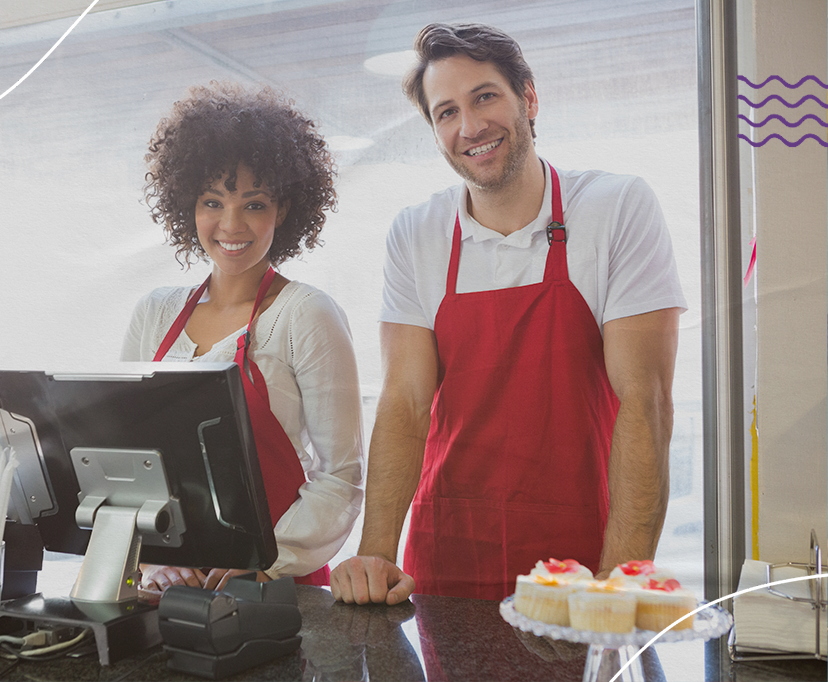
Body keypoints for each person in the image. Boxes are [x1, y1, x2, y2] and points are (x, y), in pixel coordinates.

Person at [330, 23, 686, 604]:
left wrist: (618, 580)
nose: (469, 127)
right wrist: (374, 555)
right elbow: (405, 403)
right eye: (446, 112)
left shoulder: (616, 207)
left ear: (529, 98)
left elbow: (644, 402)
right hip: (447, 558)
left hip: (583, 559)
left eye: (485, 97)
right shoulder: (416, 233)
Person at [121, 82, 364, 594]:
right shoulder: (154, 314)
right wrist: (149, 563)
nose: (231, 225)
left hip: (273, 586)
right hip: (172, 584)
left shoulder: (306, 314)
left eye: (254, 204)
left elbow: (340, 477)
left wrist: (265, 561)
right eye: (213, 201)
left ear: (285, 209)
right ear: (187, 203)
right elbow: (125, 460)